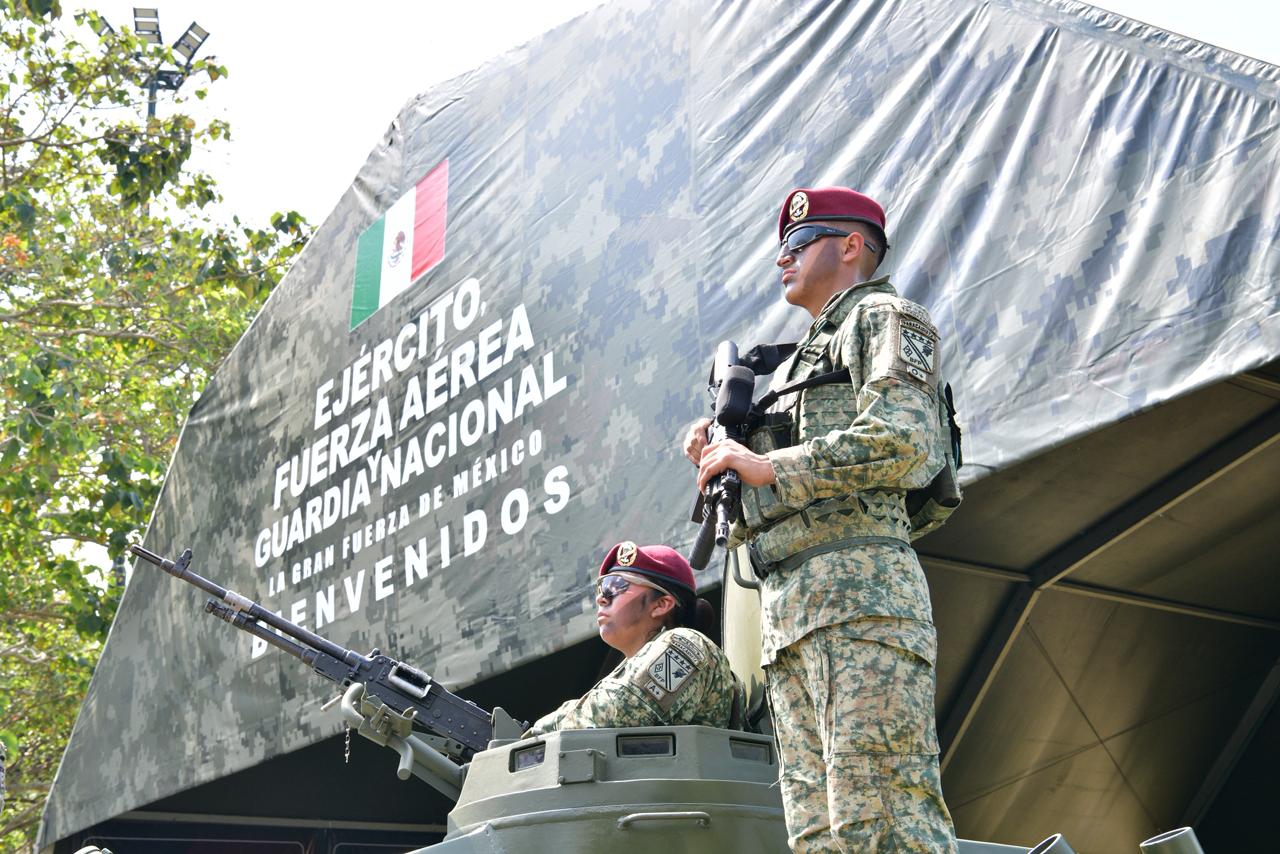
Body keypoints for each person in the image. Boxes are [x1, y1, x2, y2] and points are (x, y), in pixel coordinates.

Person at [683, 187, 958, 852]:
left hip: (861, 603)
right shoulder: (793, 364)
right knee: (819, 839)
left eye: (798, 245)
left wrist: (770, 467)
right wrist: (725, 462)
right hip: (790, 622)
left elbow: (908, 441)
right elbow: (765, 511)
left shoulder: (884, 319)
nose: (783, 259)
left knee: (886, 822)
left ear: (851, 246)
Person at [523, 541, 746, 736]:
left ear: (661, 605)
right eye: (602, 587)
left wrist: (533, 733)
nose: (601, 598)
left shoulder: (684, 642)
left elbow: (618, 711)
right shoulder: (635, 664)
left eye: (615, 586)